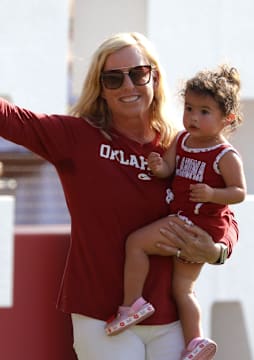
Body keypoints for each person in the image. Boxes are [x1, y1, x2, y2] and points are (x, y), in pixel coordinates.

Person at [0, 32, 239, 360]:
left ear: (154, 75)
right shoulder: (77, 136)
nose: (128, 86)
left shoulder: (181, 144)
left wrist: (217, 251)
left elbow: (223, 211)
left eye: (138, 74)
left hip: (171, 321)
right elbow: (10, 119)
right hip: (101, 318)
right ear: (101, 88)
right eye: (113, 79)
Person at [104, 64, 246, 359]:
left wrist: (212, 194)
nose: (193, 117)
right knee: (183, 289)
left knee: (136, 244)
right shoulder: (181, 140)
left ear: (227, 118)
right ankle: (196, 342)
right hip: (185, 221)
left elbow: (239, 192)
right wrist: (159, 167)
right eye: (190, 108)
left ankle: (133, 304)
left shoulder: (225, 155)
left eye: (204, 112)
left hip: (199, 227)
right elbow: (170, 168)